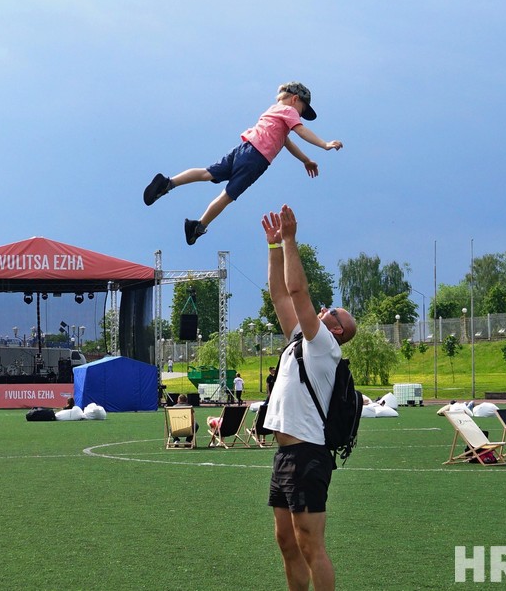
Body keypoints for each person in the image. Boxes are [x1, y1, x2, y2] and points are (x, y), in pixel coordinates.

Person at [260, 205, 357, 591]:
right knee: (286, 542)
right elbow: (280, 294)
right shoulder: (301, 338)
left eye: (331, 310)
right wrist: (272, 248)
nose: (324, 307)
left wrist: (290, 240)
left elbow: (297, 289)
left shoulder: (324, 344)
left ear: (336, 327)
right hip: (286, 455)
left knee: (311, 544)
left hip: (307, 456)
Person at [143, 82, 343, 245]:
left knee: (206, 173)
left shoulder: (274, 110)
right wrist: (324, 144)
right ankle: (198, 226)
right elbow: (300, 131)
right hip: (256, 159)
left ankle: (168, 183)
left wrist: (306, 160)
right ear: (295, 99)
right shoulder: (290, 112)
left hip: (242, 149)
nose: (299, 115)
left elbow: (286, 142)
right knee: (227, 196)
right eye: (302, 110)